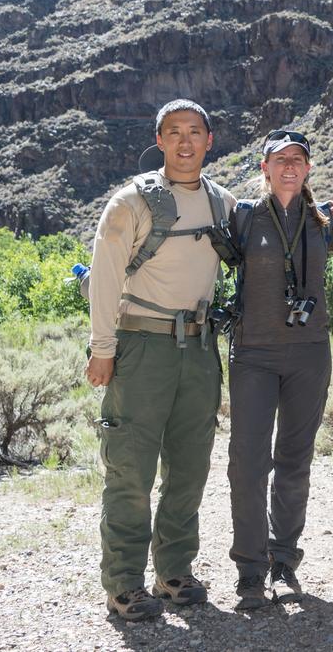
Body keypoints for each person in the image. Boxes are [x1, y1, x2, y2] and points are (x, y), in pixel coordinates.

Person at [85, 99, 236, 621]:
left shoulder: (223, 203)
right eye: (175, 132)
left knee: (189, 466)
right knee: (130, 467)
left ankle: (174, 572)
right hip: (141, 347)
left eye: (195, 132)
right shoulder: (130, 202)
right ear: (160, 139)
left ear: (209, 140)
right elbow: (104, 276)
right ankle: (124, 583)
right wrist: (102, 348)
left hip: (199, 348)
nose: (185, 142)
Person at [226, 129, 333, 610]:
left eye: (298, 159)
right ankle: (249, 570)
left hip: (309, 352)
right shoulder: (243, 217)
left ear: (308, 168)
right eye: (279, 158)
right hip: (253, 354)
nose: (289, 166)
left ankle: (283, 562)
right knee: (247, 463)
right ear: (264, 167)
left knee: (294, 460)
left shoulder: (324, 219)